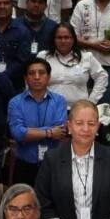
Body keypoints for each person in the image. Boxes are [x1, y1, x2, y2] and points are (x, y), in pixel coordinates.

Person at [7, 58, 68, 187]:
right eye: (32, 73)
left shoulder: (60, 101)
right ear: (25, 78)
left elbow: (61, 131)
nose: (36, 77)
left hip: (53, 164)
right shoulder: (15, 102)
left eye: (41, 73)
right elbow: (18, 134)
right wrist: (50, 132)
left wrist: (30, 131)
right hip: (24, 164)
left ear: (49, 77)